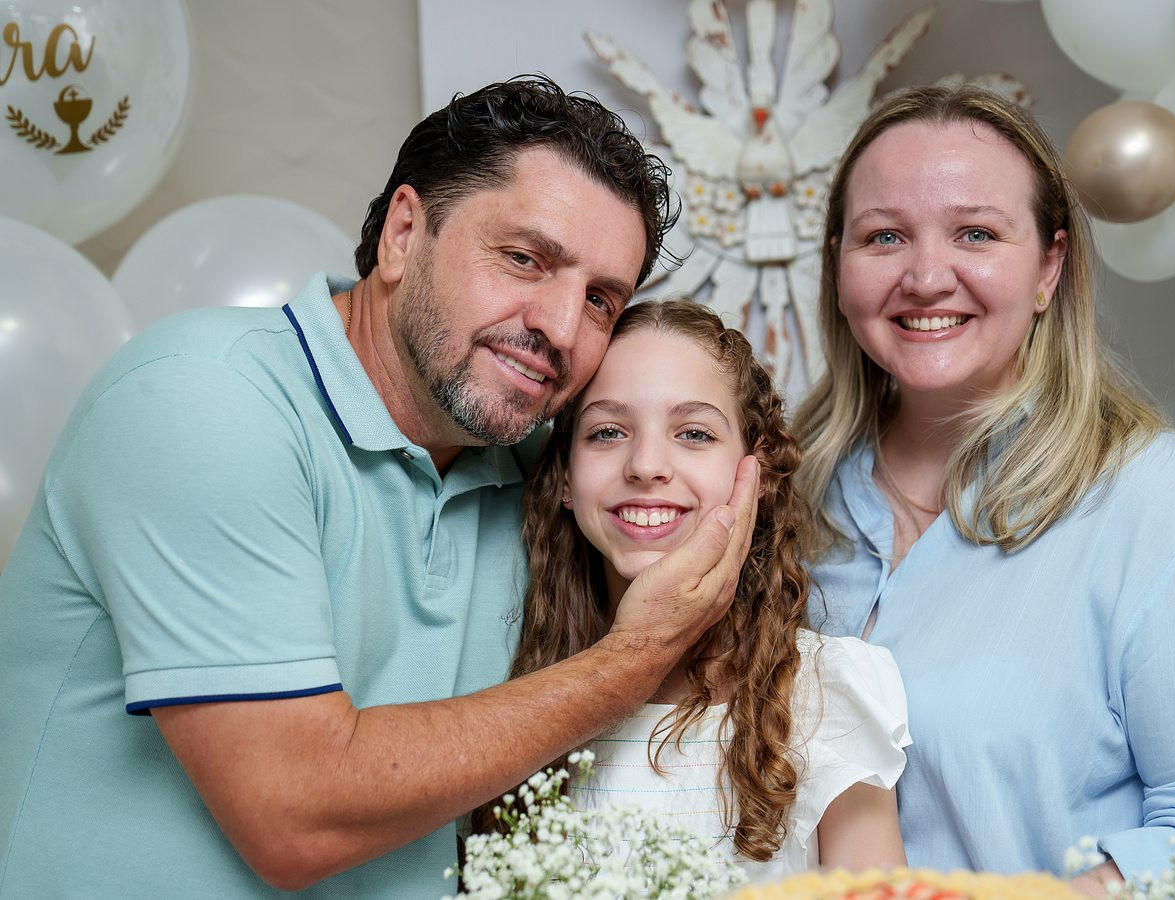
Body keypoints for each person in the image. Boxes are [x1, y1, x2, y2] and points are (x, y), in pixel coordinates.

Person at [0, 76, 760, 898]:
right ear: (403, 234)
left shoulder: (544, 465)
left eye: (601, 300)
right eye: (525, 259)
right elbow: (295, 816)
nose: (561, 327)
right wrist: (633, 659)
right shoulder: (205, 399)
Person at [793, 84, 1175, 897]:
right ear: (838, 266)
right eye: (884, 236)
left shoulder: (1165, 507)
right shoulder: (778, 493)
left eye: (975, 233)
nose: (925, 277)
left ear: (1049, 267)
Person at [488, 299, 910, 881]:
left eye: (693, 433)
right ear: (564, 474)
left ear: (756, 471)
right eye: (607, 432)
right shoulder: (515, 687)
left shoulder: (828, 695)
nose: (646, 465)